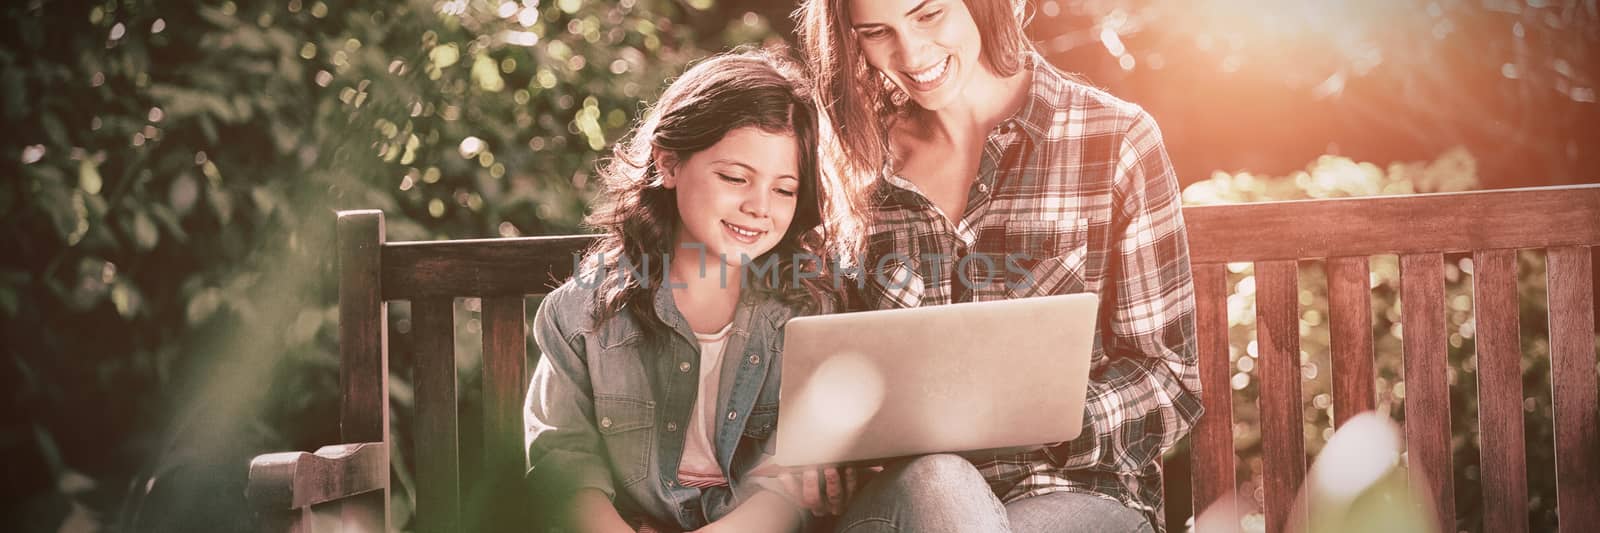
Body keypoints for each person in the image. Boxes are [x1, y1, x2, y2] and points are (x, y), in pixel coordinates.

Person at [796, 1, 1203, 532]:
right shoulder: (850, 161)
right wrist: (819, 448)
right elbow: (806, 357)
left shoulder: (1115, 139)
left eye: (929, 14)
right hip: (901, 504)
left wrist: (1041, 420)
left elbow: (1170, 379)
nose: (911, 53)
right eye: (877, 32)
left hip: (1080, 496)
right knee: (939, 482)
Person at [524, 48, 852, 533]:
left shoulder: (807, 312)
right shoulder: (580, 315)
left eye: (784, 189)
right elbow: (565, 466)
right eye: (735, 178)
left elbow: (792, 488)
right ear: (669, 163)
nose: (759, 207)